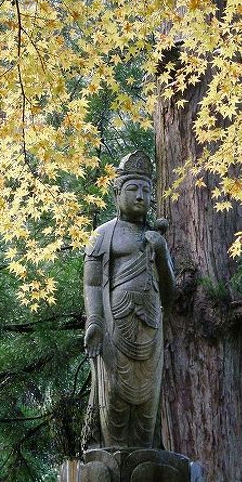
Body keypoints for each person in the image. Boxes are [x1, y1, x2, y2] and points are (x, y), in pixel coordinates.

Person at [82, 151, 175, 450]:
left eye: (147, 191)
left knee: (148, 405)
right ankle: (112, 454)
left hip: (150, 327)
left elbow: (170, 295)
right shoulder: (102, 235)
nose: (141, 197)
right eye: (133, 189)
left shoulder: (154, 238)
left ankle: (144, 454)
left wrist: (161, 252)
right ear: (116, 193)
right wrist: (94, 321)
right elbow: (92, 282)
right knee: (115, 401)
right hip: (114, 326)